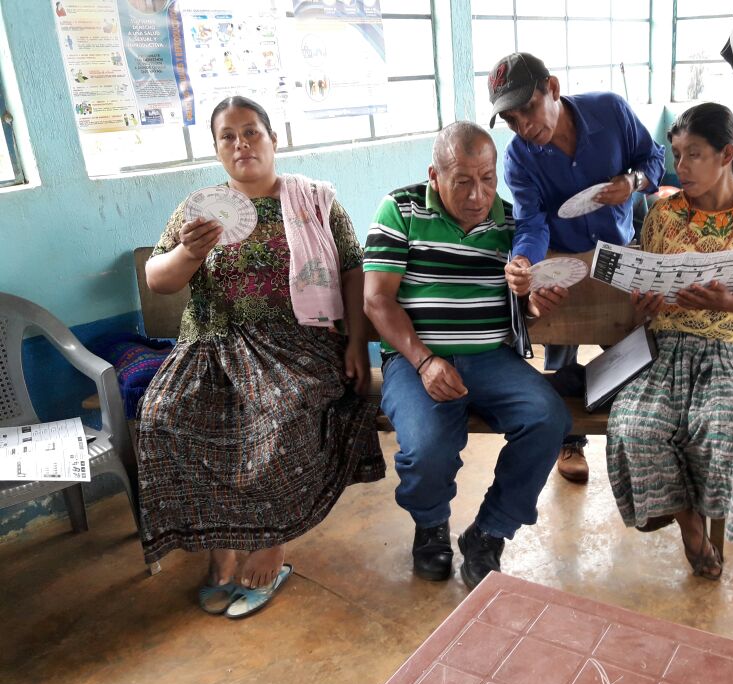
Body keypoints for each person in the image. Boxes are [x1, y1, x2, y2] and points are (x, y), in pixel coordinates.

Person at [138, 95, 385, 617]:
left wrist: (359, 343)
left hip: (297, 344)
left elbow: (352, 269)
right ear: (216, 150)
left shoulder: (315, 201)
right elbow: (158, 280)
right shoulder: (197, 211)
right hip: (210, 343)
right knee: (166, 416)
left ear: (275, 140)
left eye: (251, 131)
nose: (241, 143)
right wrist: (190, 253)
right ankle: (221, 546)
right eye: (228, 136)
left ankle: (271, 538)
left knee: (279, 410)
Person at [607, 102, 733, 580]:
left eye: (693, 155)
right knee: (635, 423)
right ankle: (688, 523)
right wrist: (646, 302)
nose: (681, 168)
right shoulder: (663, 214)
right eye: (676, 155)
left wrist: (731, 303)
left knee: (726, 422)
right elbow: (650, 286)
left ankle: (704, 516)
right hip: (669, 346)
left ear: (727, 154)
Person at [364, 121, 570, 590]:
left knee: (548, 418)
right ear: (434, 174)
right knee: (426, 447)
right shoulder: (400, 209)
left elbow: (523, 309)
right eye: (463, 180)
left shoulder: (512, 222)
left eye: (488, 179)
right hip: (416, 359)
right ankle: (431, 525)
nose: (478, 195)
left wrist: (534, 302)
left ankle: (489, 533)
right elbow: (377, 300)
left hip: (491, 358)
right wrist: (423, 360)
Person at [488, 52, 667, 485]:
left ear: (552, 87)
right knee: (561, 345)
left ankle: (637, 440)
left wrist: (633, 183)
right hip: (561, 258)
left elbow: (654, 160)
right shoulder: (519, 158)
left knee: (628, 349)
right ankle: (569, 440)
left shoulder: (611, 111)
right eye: (512, 121)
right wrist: (525, 261)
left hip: (617, 249)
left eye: (528, 109)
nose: (524, 127)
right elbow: (531, 222)